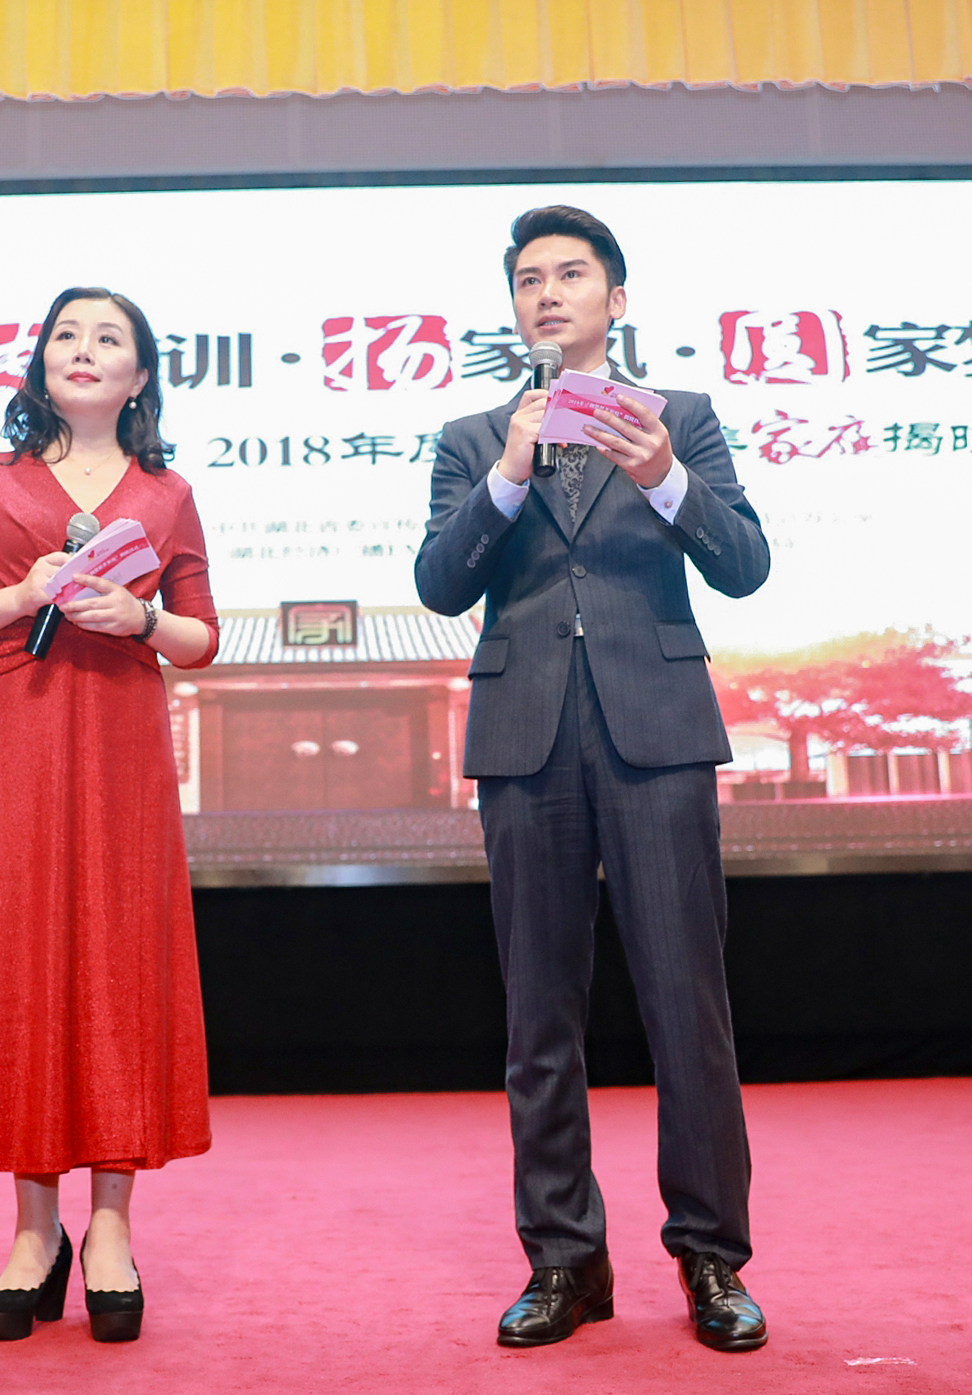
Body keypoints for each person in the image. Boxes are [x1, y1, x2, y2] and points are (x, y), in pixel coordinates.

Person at [413, 207, 772, 1353]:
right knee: (538, 1017)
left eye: (571, 275)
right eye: (529, 280)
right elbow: (436, 584)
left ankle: (710, 1256)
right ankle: (564, 1260)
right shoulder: (473, 436)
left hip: (656, 731)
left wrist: (663, 477)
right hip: (525, 740)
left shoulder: (682, 419)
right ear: (513, 308)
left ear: (615, 301)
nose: (548, 293)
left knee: (686, 1005)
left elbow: (744, 565)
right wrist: (507, 473)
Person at [0, 286, 221, 1344]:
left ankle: (111, 1231)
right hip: (24, 740)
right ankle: (33, 1234)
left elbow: (202, 637)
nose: (82, 350)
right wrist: (22, 595)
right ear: (41, 362)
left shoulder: (166, 492)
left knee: (119, 966)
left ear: (139, 377)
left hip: (124, 747)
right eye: (66, 336)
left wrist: (140, 616)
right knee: (26, 966)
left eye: (108, 339)